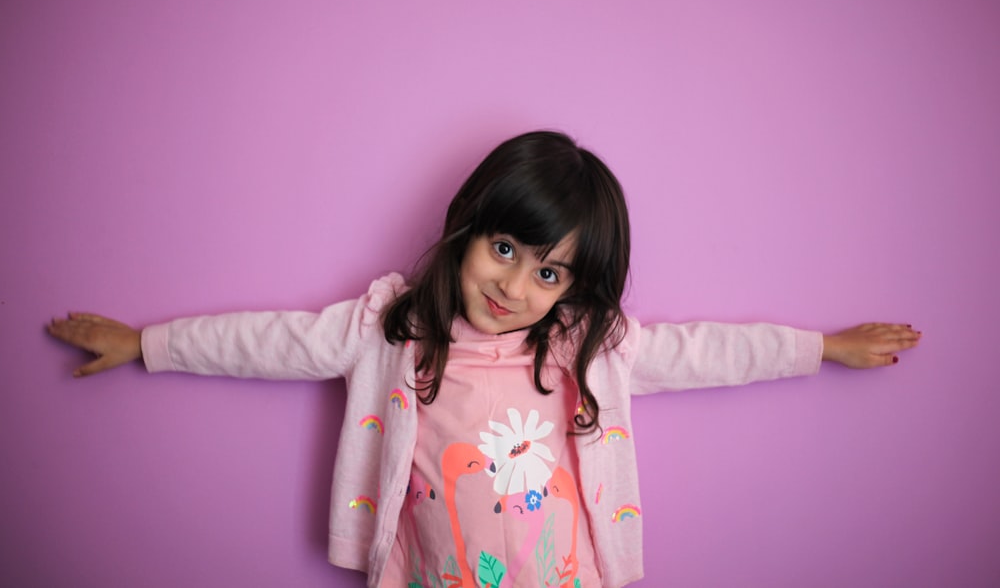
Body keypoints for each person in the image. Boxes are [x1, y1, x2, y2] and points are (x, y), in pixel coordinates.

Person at [47, 131, 921, 588]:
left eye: (548, 271)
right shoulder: (389, 328)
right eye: (503, 248)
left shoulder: (589, 345)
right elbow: (267, 340)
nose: (514, 286)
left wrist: (824, 348)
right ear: (469, 223)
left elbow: (710, 352)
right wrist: (146, 344)